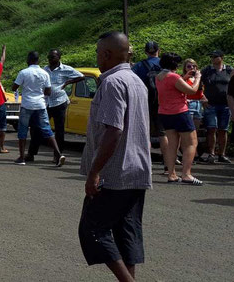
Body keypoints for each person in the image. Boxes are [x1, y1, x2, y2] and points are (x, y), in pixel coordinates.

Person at [78, 32, 152, 282]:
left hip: (115, 173)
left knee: (92, 229)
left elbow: (114, 130)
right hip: (137, 170)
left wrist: (94, 172)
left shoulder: (112, 83)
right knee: (126, 231)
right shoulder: (136, 81)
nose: (97, 58)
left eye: (98, 53)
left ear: (107, 54)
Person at [156, 53, 202, 185]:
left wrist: (184, 77)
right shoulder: (173, 77)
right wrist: (197, 78)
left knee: (172, 144)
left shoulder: (159, 77)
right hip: (179, 112)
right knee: (191, 143)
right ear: (175, 65)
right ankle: (186, 174)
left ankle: (172, 175)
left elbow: (173, 86)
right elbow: (192, 91)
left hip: (164, 113)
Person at [12, 51, 65, 166]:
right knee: (47, 129)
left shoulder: (24, 72)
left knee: (23, 130)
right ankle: (58, 154)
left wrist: (25, 87)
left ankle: (21, 158)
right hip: (40, 104)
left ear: (29, 60)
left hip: (27, 105)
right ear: (38, 60)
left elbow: (14, 87)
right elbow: (48, 91)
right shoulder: (44, 73)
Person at [133, 41, 167, 172]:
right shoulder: (165, 64)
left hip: (145, 102)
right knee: (163, 133)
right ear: (159, 50)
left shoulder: (139, 65)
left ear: (146, 52)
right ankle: (167, 162)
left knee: (145, 133)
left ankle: (147, 164)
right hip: (163, 103)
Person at [42, 49, 84, 151]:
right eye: (49, 57)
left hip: (59, 102)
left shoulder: (65, 69)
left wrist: (69, 82)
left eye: (52, 57)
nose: (50, 59)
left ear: (59, 57)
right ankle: (33, 151)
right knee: (41, 126)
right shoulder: (45, 69)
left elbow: (81, 76)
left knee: (59, 129)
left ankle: (58, 153)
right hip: (46, 102)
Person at [200, 50, 233, 164]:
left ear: (221, 57)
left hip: (226, 105)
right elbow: (198, 84)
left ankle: (222, 154)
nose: (213, 59)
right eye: (212, 57)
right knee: (211, 129)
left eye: (215, 57)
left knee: (223, 130)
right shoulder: (207, 71)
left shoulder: (229, 70)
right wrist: (202, 97)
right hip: (211, 104)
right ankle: (211, 154)